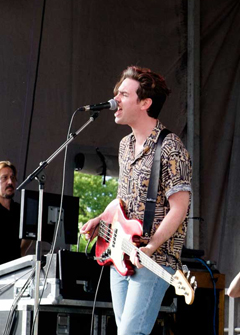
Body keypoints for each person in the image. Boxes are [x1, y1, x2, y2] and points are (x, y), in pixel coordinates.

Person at [81, 66, 191, 335]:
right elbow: (122, 200)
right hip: (120, 253)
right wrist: (101, 219)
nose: (115, 100)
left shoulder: (170, 146)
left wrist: (151, 247)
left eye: (123, 94)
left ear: (145, 103)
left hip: (155, 257)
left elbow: (180, 207)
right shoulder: (125, 145)